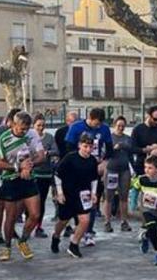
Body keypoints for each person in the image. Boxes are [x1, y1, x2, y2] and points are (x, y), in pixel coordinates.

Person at [0, 111, 45, 261]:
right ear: (13, 124)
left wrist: (30, 165)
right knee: (11, 216)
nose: (23, 132)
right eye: (20, 129)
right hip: (11, 179)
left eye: (26, 129)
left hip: (28, 178)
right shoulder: (4, 138)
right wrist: (18, 167)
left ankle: (22, 240)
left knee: (35, 214)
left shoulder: (31, 135)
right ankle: (7, 245)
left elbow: (41, 155)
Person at [64, 108, 113, 246]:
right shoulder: (76, 127)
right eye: (95, 124)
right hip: (77, 170)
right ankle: (77, 227)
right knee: (76, 201)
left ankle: (89, 232)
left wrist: (104, 162)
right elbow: (68, 147)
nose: (98, 127)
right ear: (89, 118)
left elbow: (109, 149)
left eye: (99, 125)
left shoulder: (104, 129)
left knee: (92, 201)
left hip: (94, 169)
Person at [51, 134, 102, 258]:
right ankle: (56, 236)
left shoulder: (92, 161)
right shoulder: (70, 158)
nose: (88, 150)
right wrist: (60, 192)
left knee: (85, 220)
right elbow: (57, 175)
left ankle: (74, 244)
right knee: (63, 221)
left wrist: (94, 193)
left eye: (90, 147)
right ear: (79, 145)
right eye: (85, 146)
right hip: (68, 193)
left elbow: (94, 179)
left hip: (84, 194)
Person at [0, 108, 21, 244]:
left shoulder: (20, 133)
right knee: (1, 203)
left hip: (16, 172)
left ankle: (10, 228)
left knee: (16, 203)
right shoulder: (0, 132)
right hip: (1, 172)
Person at [104, 116, 135, 233]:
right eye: (119, 125)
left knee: (124, 196)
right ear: (114, 125)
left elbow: (131, 153)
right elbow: (105, 154)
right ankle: (107, 222)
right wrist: (114, 148)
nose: (121, 128)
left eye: (123, 126)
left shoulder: (128, 138)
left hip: (124, 170)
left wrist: (134, 169)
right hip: (112, 169)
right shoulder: (109, 138)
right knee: (109, 196)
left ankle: (124, 222)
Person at [32, 114, 60, 238]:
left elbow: (56, 151)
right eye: (38, 125)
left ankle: (39, 226)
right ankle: (29, 223)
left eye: (43, 125)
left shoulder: (49, 137)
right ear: (33, 126)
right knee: (32, 201)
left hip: (45, 173)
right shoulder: (29, 137)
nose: (41, 127)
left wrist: (46, 152)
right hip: (33, 173)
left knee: (41, 201)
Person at [131, 105, 157, 176]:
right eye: (155, 119)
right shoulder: (138, 129)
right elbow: (132, 148)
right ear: (148, 116)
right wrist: (146, 150)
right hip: (142, 167)